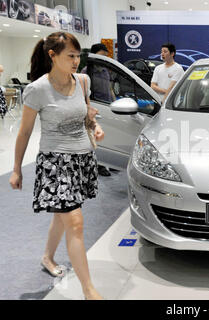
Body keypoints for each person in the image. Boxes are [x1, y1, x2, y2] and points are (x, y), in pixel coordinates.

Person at [9, 32, 105, 300]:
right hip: (55, 163)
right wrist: (16, 169)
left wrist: (95, 127)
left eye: (78, 56)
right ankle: (89, 291)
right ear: (52, 56)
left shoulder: (82, 82)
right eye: (70, 56)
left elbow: (86, 116)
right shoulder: (38, 89)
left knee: (64, 216)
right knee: (74, 221)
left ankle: (47, 257)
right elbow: (24, 132)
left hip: (81, 160)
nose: (76, 61)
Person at [81, 43, 115, 176]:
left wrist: (114, 100)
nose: (104, 59)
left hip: (108, 106)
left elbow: (110, 88)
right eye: (101, 56)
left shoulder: (106, 70)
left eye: (105, 56)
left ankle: (112, 163)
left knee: (110, 136)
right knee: (96, 138)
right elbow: (84, 94)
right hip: (96, 108)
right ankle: (99, 165)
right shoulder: (86, 72)